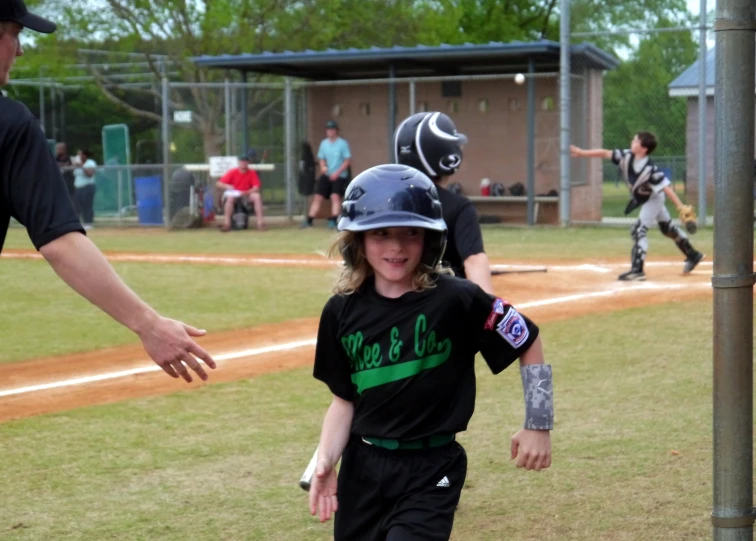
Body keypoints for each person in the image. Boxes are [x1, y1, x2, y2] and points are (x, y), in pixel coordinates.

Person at [307, 164, 553, 540]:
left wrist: (538, 422)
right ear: (356, 240)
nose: (396, 246)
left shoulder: (458, 299)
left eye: (411, 233)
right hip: (363, 467)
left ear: (430, 239)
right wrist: (326, 459)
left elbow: (527, 339)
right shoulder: (340, 312)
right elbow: (344, 402)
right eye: (381, 233)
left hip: (432, 466)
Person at [0, 0, 216, 383]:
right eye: (15, 33)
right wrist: (149, 325)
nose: (20, 49)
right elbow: (59, 242)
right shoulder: (11, 124)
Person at [571, 131, 705, 281]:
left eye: (636, 141)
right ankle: (693, 255)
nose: (632, 142)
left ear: (644, 149)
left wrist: (680, 207)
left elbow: (666, 188)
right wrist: (581, 153)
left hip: (653, 199)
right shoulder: (626, 156)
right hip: (645, 198)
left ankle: (637, 270)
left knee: (638, 230)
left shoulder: (650, 170)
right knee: (667, 229)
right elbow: (604, 153)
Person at [394, 112, 494, 293]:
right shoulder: (459, 207)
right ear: (447, 156)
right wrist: (490, 312)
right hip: (445, 310)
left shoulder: (390, 201)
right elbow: (474, 260)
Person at [301, 120, 351, 229]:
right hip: (327, 175)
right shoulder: (324, 143)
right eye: (328, 130)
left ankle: (334, 220)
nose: (330, 132)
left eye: (332, 130)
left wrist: (337, 173)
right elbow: (322, 158)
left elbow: (347, 161)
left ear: (336, 131)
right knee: (318, 196)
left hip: (339, 175)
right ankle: (309, 220)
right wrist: (323, 167)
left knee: (335, 196)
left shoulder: (342, 144)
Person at [215, 153, 265, 232]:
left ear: (248, 163)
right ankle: (227, 224)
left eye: (245, 162)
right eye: (242, 161)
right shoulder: (232, 172)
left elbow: (256, 187)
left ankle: (260, 223)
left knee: (257, 197)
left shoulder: (252, 173)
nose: (243, 163)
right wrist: (227, 186)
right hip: (234, 193)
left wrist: (247, 192)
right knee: (230, 198)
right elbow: (218, 183)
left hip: (246, 194)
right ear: (239, 162)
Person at [72, 148, 97, 230]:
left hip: (87, 186)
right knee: (78, 206)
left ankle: (88, 223)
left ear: (85, 155)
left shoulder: (90, 163)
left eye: (81, 154)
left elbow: (90, 174)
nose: (79, 156)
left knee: (87, 205)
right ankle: (78, 223)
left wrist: (81, 165)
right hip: (78, 187)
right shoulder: (76, 164)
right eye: (78, 154)